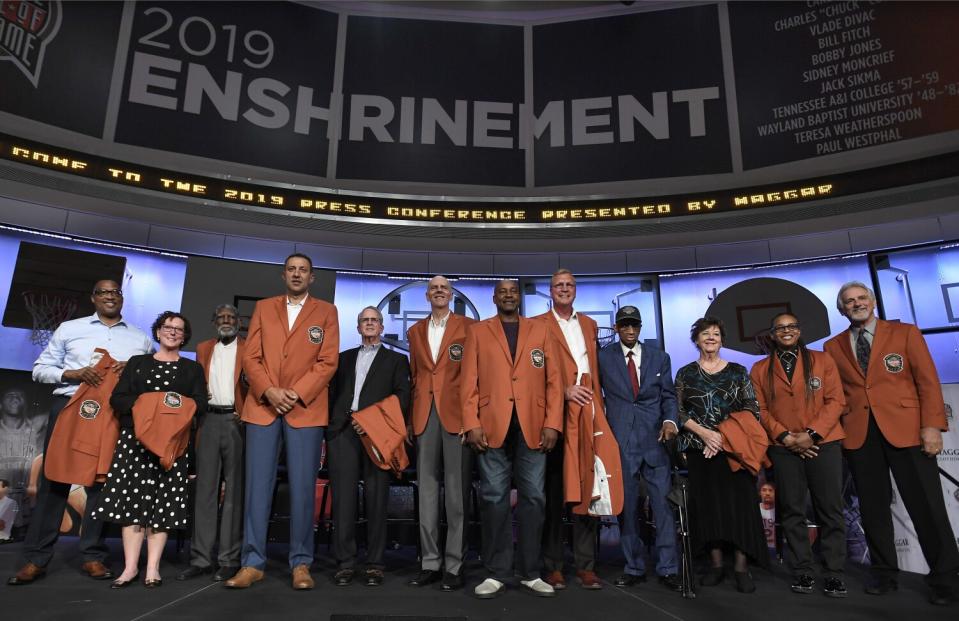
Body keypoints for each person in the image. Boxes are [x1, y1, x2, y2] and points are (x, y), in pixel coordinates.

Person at [9, 280, 152, 586]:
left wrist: (134, 371)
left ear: (122, 299)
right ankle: (36, 558)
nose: (110, 296)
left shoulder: (140, 338)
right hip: (70, 405)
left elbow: (150, 379)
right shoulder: (70, 328)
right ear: (93, 298)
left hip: (113, 413)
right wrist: (71, 373)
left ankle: (92, 556)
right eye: (104, 292)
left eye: (116, 292)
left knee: (100, 486)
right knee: (54, 481)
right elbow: (39, 369)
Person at [824, 281, 959, 605]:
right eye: (849, 301)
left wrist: (932, 427)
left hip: (908, 430)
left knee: (927, 505)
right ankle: (884, 573)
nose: (856, 304)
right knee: (872, 509)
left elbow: (927, 381)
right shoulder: (833, 346)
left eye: (861, 298)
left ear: (872, 301)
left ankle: (945, 578)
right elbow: (838, 396)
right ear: (842, 309)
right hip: (860, 435)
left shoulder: (906, 333)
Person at [226, 253, 339, 591]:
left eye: (303, 270)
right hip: (263, 406)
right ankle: (252, 562)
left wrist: (294, 393)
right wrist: (269, 391)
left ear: (312, 278)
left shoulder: (326, 311)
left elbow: (328, 361)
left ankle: (301, 563)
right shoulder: (264, 307)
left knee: (304, 489)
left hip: (305, 409)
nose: (297, 274)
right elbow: (251, 357)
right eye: (291, 269)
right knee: (257, 487)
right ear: (283, 275)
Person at [461, 279, 563, 599]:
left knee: (534, 498)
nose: (508, 295)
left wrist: (553, 424)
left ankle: (531, 572)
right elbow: (468, 382)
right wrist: (471, 423)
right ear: (494, 298)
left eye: (513, 291)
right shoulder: (478, 331)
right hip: (491, 426)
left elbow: (554, 381)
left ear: (519, 297)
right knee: (494, 499)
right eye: (502, 291)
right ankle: (496, 572)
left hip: (534, 425)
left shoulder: (541, 330)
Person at [94, 311, 207, 588]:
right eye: (168, 327)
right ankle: (130, 567)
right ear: (157, 332)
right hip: (134, 444)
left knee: (163, 506)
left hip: (173, 445)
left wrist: (166, 415)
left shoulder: (192, 369)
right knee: (132, 506)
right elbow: (118, 399)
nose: (172, 332)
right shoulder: (137, 363)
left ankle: (153, 568)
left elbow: (199, 405)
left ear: (184, 337)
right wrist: (154, 407)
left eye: (179, 330)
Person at [750, 313, 847, 598]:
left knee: (830, 509)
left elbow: (836, 401)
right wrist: (785, 437)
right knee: (792, 511)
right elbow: (761, 410)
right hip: (783, 447)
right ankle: (803, 570)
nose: (786, 331)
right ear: (772, 334)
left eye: (791, 326)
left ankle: (834, 573)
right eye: (780, 328)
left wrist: (811, 435)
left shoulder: (823, 360)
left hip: (824, 444)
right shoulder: (759, 369)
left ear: (799, 330)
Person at [538, 269, 620, 590]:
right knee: (557, 492)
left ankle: (586, 566)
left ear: (576, 290)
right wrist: (565, 392)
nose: (564, 289)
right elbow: (538, 373)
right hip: (557, 415)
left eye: (569, 285)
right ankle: (554, 566)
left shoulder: (588, 324)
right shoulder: (538, 325)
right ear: (550, 291)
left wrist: (597, 405)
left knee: (588, 489)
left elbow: (592, 368)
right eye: (558, 285)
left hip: (589, 413)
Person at [675, 316, 768, 593]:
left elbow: (753, 410)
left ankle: (741, 569)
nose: (711, 338)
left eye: (716, 333)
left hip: (736, 451)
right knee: (708, 508)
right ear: (696, 340)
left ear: (722, 339)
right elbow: (678, 412)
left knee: (741, 509)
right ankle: (716, 566)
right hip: (698, 450)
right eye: (705, 334)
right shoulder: (685, 373)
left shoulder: (739, 371)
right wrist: (705, 434)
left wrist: (722, 437)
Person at [597, 305, 681, 591]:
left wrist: (670, 421)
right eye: (625, 325)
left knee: (663, 507)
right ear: (617, 328)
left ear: (640, 327)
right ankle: (633, 567)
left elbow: (669, 396)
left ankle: (668, 568)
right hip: (620, 441)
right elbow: (597, 395)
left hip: (655, 441)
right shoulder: (603, 358)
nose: (630, 330)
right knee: (627, 508)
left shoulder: (660, 357)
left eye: (634, 325)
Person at [328, 306, 410, 587]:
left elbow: (402, 398)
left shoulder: (397, 361)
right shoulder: (342, 359)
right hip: (343, 433)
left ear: (382, 327)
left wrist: (371, 421)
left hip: (376, 435)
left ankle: (375, 564)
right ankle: (346, 563)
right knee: (343, 501)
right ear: (358, 327)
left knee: (376, 500)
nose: (370, 324)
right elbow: (332, 395)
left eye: (375, 320)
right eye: (365, 320)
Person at [406, 276, 475, 591]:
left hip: (457, 417)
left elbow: (475, 377)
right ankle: (430, 562)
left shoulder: (469, 328)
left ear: (451, 295)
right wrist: (410, 420)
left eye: (444, 288)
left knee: (457, 497)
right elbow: (416, 377)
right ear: (426, 295)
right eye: (433, 287)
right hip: (424, 417)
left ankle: (454, 565)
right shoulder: (415, 331)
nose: (439, 291)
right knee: (428, 494)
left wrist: (471, 419)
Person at [178, 304, 246, 583]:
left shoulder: (250, 347)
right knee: (204, 491)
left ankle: (229, 559)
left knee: (234, 494)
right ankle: (201, 559)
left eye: (231, 317)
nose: (226, 321)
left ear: (239, 323)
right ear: (214, 321)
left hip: (236, 422)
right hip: (208, 422)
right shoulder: (204, 347)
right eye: (221, 317)